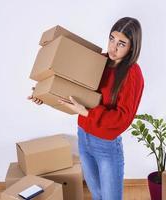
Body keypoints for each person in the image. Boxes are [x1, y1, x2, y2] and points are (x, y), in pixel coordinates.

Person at [28, 17, 144, 200]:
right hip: (84, 136)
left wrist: (87, 112)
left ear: (132, 47)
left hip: (105, 145)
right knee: (96, 196)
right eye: (111, 39)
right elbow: (72, 87)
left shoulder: (132, 74)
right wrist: (44, 95)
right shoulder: (98, 61)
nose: (113, 47)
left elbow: (123, 119)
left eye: (121, 44)